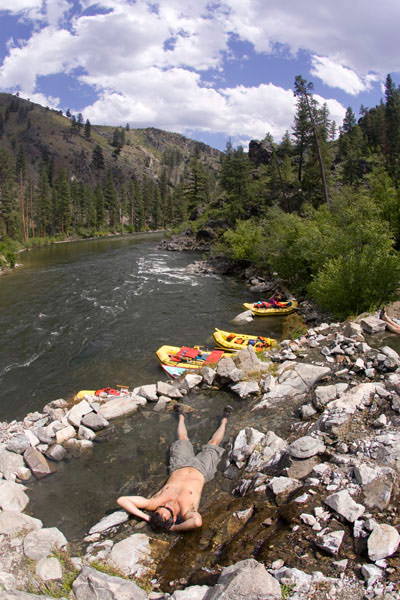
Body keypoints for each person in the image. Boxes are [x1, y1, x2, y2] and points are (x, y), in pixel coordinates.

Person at [117, 404, 233, 533]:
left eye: (162, 507)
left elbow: (122, 500)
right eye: (168, 510)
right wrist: (174, 528)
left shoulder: (154, 503)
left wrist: (147, 518)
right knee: (213, 443)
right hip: (202, 470)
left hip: (179, 465)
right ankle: (224, 420)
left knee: (183, 438)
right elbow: (196, 522)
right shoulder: (187, 511)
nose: (167, 504)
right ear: (174, 517)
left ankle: (181, 416)